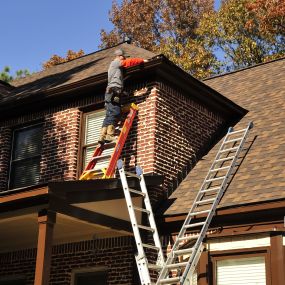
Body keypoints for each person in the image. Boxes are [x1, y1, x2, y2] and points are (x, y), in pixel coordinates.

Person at [98, 48, 147, 144]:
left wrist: (124, 93)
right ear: (120, 56)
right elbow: (129, 62)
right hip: (113, 91)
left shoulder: (114, 68)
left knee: (109, 114)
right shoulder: (116, 63)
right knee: (115, 112)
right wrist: (142, 60)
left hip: (110, 92)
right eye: (123, 58)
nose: (123, 59)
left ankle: (102, 136)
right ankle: (109, 136)